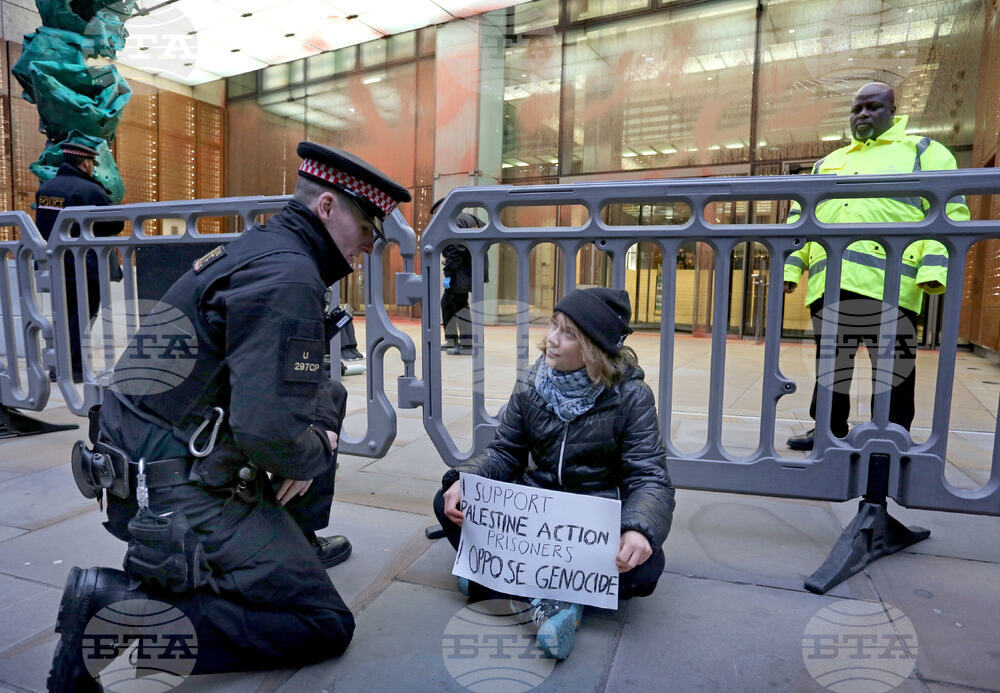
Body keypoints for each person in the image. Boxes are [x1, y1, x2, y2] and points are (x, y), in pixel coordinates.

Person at [50, 143, 411, 689]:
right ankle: (117, 609)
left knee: (326, 400)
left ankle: (279, 548)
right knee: (321, 623)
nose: (370, 241)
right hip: (175, 488)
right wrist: (312, 453)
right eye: (366, 224)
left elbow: (293, 390)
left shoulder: (262, 248)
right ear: (328, 207)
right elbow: (268, 434)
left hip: (138, 463)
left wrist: (304, 440)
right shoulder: (288, 277)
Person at [433, 288, 675, 660]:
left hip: (592, 524)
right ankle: (554, 597)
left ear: (593, 348)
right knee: (447, 501)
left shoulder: (631, 397)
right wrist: (465, 480)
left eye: (568, 333)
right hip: (536, 517)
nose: (551, 340)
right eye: (553, 326)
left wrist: (639, 529)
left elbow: (649, 478)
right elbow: (504, 452)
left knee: (646, 569)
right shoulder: (532, 383)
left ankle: (498, 583)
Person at [783, 82, 970, 451]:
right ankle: (826, 430)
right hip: (831, 282)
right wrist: (791, 268)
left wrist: (933, 270)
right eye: (857, 109)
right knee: (830, 367)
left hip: (892, 284)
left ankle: (891, 434)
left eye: (873, 107)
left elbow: (950, 212)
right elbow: (800, 220)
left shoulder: (925, 151)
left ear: (893, 111)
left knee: (894, 369)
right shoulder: (828, 163)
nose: (863, 114)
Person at [35, 142, 124, 383]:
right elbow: (114, 224)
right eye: (92, 164)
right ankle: (73, 367)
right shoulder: (89, 190)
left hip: (55, 262)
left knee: (63, 314)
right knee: (83, 314)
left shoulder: (47, 188)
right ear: (85, 163)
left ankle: (58, 367)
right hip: (85, 265)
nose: (93, 168)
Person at [431, 197, 488, 355]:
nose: (436, 217)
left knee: (458, 304)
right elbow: (486, 235)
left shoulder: (453, 220)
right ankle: (453, 340)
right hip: (472, 269)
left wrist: (448, 273)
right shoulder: (471, 218)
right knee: (450, 303)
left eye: (436, 213)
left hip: (461, 272)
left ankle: (466, 343)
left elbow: (456, 249)